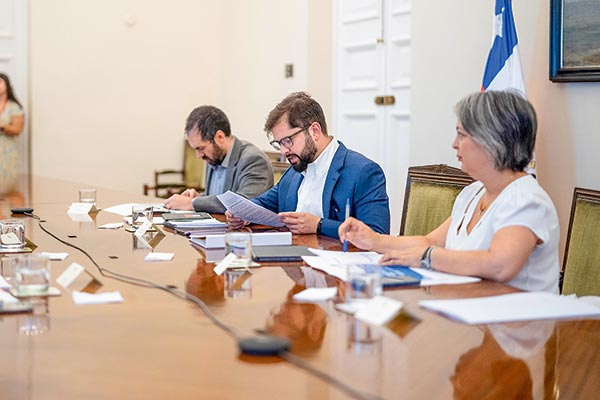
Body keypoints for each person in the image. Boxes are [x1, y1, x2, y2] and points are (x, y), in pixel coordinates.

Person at [339, 90, 559, 293]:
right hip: (473, 313)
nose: (454, 144)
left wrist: (427, 257)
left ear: (493, 141)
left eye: (462, 135)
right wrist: (374, 240)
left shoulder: (526, 199)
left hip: (520, 326)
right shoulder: (473, 193)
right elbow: (430, 241)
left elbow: (500, 266)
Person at [226, 92, 390, 238]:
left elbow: (377, 234)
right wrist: (241, 213)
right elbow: (265, 203)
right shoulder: (294, 172)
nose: (283, 151)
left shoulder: (363, 172)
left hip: (339, 266)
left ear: (315, 131)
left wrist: (319, 225)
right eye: (279, 144)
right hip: (295, 263)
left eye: (288, 141)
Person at [163, 105, 274, 213]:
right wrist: (199, 198)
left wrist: (191, 203)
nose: (198, 155)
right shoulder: (213, 157)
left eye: (200, 148)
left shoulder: (253, 159)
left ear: (219, 137)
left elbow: (243, 204)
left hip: (246, 231)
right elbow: (218, 198)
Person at [0, 73, 24, 193]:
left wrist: (2, 126)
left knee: (9, 191)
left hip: (7, 155)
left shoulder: (14, 107)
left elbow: (17, 130)